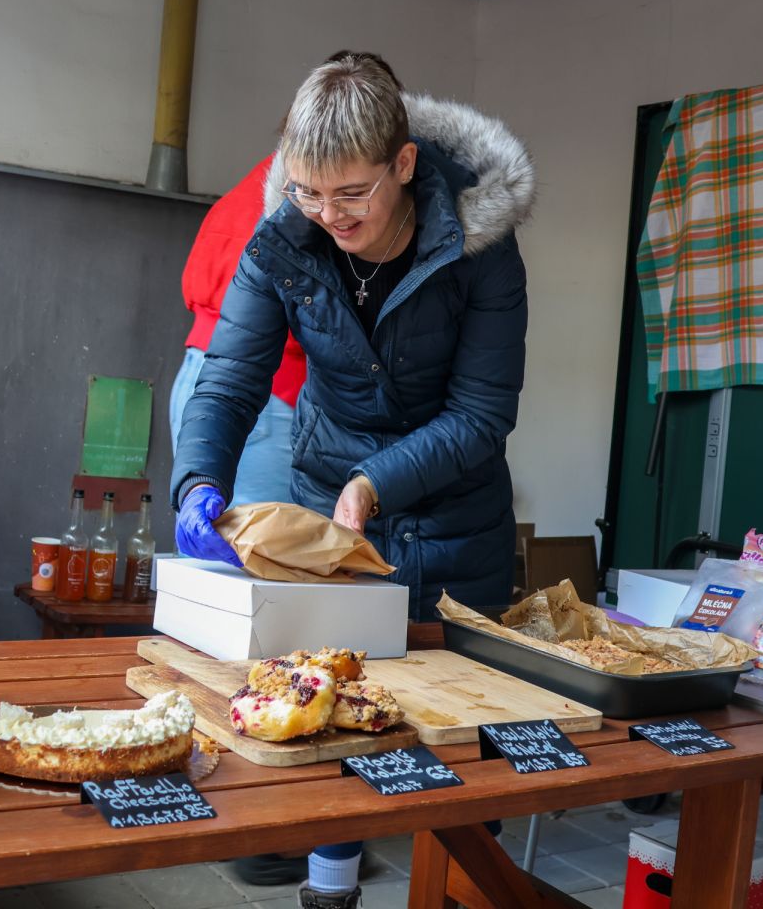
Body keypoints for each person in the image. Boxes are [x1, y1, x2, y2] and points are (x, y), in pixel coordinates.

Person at [170, 52, 534, 908]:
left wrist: (373, 482)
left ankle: (464, 893)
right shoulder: (283, 238)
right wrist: (196, 482)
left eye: (351, 195)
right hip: (329, 508)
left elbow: (483, 414)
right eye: (308, 192)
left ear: (403, 165)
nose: (328, 216)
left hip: (453, 520)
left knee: (467, 745)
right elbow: (230, 380)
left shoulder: (481, 248)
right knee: (329, 715)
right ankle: (327, 895)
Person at [169, 156, 307, 506]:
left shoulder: (251, 184)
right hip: (266, 391)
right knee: (256, 539)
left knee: (207, 530)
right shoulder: (302, 190)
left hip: (196, 376)